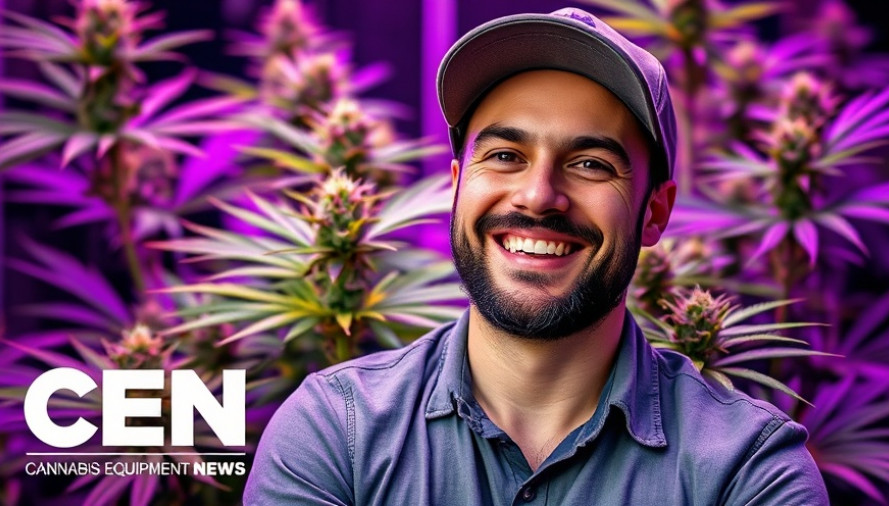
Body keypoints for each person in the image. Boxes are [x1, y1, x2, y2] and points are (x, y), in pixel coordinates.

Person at [244, 7, 829, 505]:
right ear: (457, 184)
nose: (538, 195)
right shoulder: (335, 432)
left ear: (655, 212)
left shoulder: (748, 471)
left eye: (591, 164)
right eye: (505, 155)